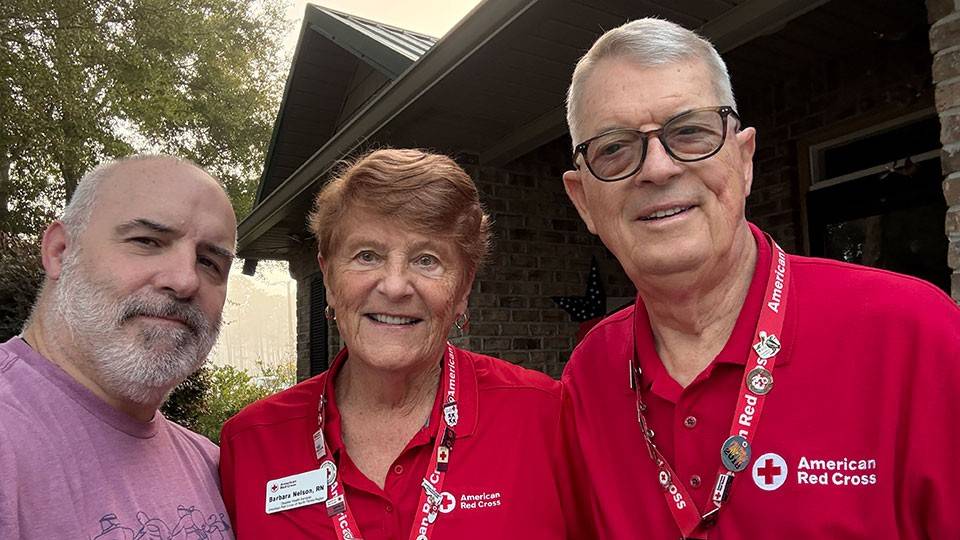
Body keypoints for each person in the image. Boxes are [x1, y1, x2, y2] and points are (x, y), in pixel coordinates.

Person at [559, 18, 960, 539]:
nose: (657, 169)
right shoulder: (589, 376)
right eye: (613, 148)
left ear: (744, 160)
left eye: (690, 131)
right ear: (583, 200)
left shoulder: (915, 332)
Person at [219, 148, 567, 539]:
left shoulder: (548, 418)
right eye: (367, 256)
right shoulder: (249, 444)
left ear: (464, 286)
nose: (396, 286)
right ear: (329, 278)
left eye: (427, 260)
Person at [0, 155, 237, 539]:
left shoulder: (210, 464)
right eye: (147, 241)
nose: (185, 280)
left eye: (210, 262)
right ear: (60, 251)